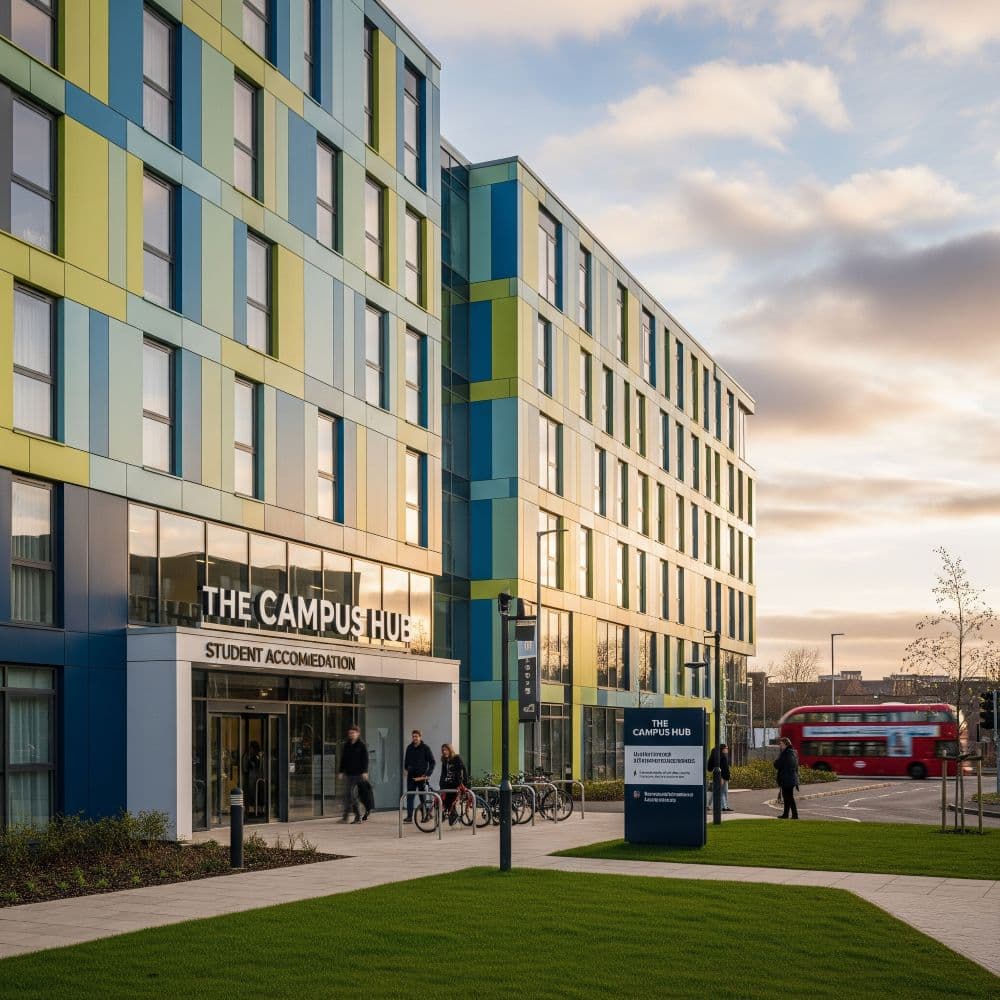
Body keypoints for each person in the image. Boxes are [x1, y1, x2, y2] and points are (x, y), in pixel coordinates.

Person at [337, 724, 369, 824]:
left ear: (358, 733)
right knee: (347, 795)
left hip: (358, 774)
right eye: (350, 733)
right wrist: (341, 771)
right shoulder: (347, 745)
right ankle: (345, 817)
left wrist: (365, 771)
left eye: (353, 733)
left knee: (352, 795)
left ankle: (358, 816)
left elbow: (365, 759)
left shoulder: (361, 745)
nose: (351, 734)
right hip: (349, 774)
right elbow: (343, 759)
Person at [403, 729, 436, 823]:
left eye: (416, 736)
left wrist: (427, 774)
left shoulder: (425, 748)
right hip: (411, 777)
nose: (414, 738)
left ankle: (425, 816)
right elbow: (406, 760)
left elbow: (432, 762)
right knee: (410, 797)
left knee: (422, 797)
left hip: (421, 777)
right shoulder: (409, 748)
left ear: (420, 737)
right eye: (413, 736)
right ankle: (409, 816)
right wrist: (406, 769)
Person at [438, 743, 468, 826]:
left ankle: (453, 815)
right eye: (443, 750)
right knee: (445, 800)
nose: (444, 752)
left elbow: (462, 771)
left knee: (451, 800)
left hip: (456, 783)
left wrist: (463, 783)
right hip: (447, 783)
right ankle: (451, 815)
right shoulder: (444, 760)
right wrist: (441, 783)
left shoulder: (456, 758)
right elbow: (443, 774)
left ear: (450, 750)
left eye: (446, 750)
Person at [774, 736, 800, 819]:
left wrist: (776, 761)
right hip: (791, 778)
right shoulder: (793, 752)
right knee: (788, 797)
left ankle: (793, 815)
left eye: (781, 744)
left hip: (786, 778)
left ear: (785, 744)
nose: (780, 746)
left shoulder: (785, 753)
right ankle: (787, 814)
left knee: (788, 797)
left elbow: (777, 765)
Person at [707, 743, 732, 812]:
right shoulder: (721, 757)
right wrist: (722, 778)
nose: (727, 749)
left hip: (723, 777)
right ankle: (724, 807)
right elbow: (723, 769)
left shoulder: (721, 756)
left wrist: (727, 777)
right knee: (723, 792)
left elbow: (710, 768)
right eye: (726, 748)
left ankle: (708, 805)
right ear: (723, 749)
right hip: (722, 778)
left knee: (716, 792)